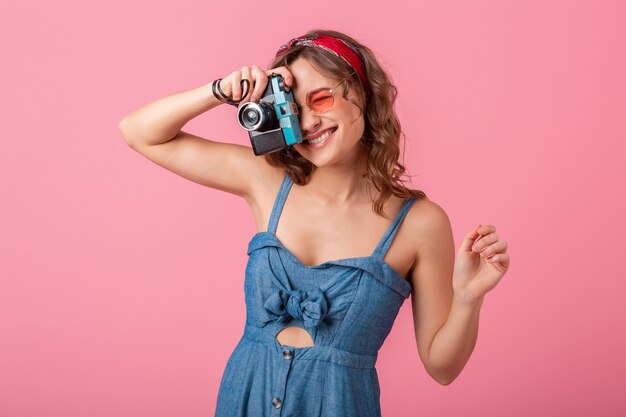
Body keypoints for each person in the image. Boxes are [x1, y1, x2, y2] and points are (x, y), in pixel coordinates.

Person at [118, 29, 510, 417]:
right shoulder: (266, 180)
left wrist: (467, 298)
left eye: (319, 99)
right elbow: (140, 133)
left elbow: (442, 368)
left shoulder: (420, 223)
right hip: (244, 400)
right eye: (290, 107)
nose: (307, 123)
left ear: (363, 93)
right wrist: (220, 90)